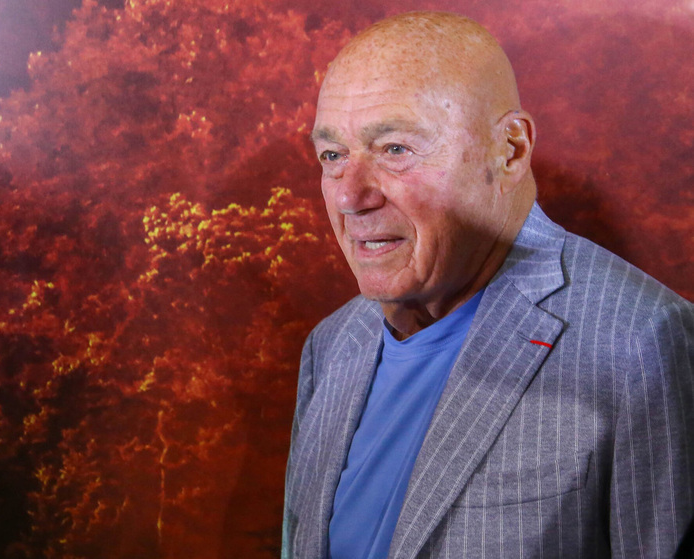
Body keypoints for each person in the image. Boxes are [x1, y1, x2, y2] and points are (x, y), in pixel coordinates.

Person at [282, 11, 694, 559]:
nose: (349, 196)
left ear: (511, 150)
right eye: (333, 156)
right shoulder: (331, 345)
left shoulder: (640, 342)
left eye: (395, 149)